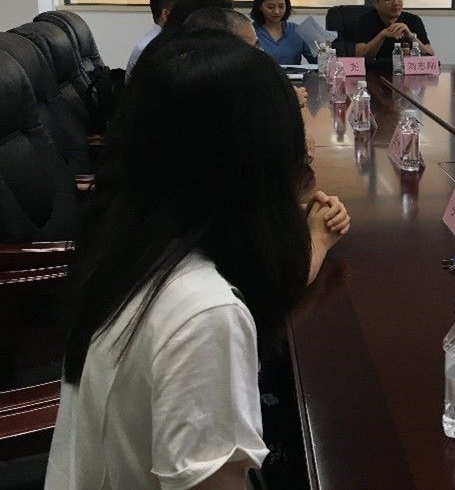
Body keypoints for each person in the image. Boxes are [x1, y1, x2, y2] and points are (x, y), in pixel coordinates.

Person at [45, 30, 349, 489]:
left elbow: (263, 282)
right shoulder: (204, 316)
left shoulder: (130, 242)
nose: (306, 152)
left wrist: (315, 242)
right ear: (255, 161)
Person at [355, 0, 434, 68]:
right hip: (375, 73)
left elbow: (430, 56)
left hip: (406, 73)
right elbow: (359, 56)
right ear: (375, 3)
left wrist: (411, 36)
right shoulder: (366, 20)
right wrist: (382, 35)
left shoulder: (413, 20)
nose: (396, 3)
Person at [125, 0, 191, 82]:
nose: (192, 18)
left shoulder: (168, 42)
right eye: (187, 12)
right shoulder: (150, 49)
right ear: (166, 15)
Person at [250, 0, 316, 65]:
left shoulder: (297, 31)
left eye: (281, 6)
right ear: (260, 6)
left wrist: (323, 50)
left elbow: (318, 63)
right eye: (271, 7)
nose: (276, 11)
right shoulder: (250, 32)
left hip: (294, 74)